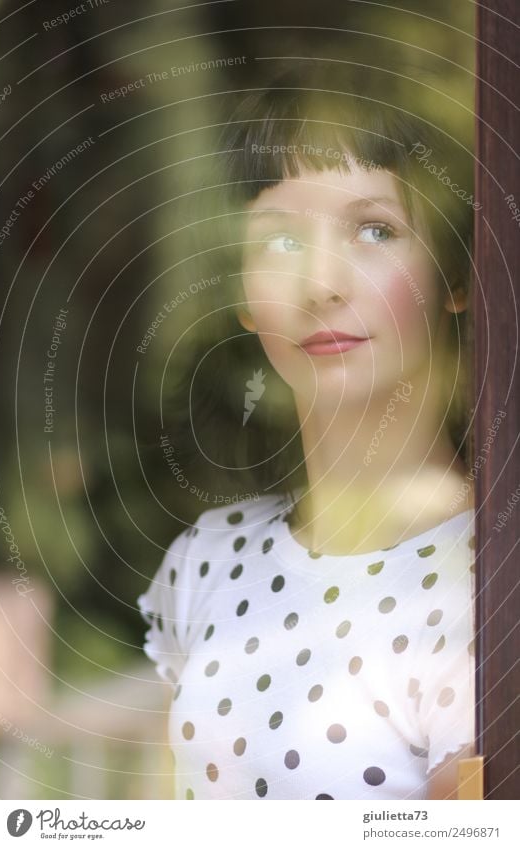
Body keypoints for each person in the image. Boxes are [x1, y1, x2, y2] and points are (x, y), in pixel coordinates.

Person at [138, 65, 476, 800]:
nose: (320, 281)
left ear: (454, 274)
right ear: (243, 296)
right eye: (280, 241)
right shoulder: (205, 560)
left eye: (373, 230)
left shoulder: (490, 580)